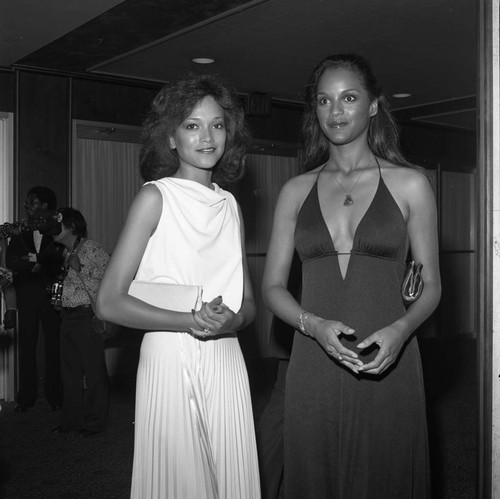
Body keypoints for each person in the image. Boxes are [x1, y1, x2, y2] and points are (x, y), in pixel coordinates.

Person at [262, 53, 441, 499]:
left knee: (387, 475)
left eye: (348, 98)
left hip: (388, 356)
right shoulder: (295, 190)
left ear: (374, 106)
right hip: (312, 360)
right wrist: (312, 325)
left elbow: (433, 285)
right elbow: (272, 287)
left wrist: (401, 331)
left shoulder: (410, 184)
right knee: (313, 476)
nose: (335, 111)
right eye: (324, 100)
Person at [96, 73, 260, 499]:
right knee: (179, 481)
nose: (207, 137)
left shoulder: (230, 205)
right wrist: (188, 320)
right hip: (169, 355)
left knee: (230, 478)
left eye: (217, 124)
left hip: (224, 355)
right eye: (191, 125)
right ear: (170, 137)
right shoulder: (156, 197)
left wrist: (231, 321)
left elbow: (250, 307)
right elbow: (108, 302)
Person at [50, 208, 109, 437]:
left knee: (94, 373)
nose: (53, 230)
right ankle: (71, 421)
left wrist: (80, 268)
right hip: (67, 317)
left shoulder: (92, 248)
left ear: (72, 226)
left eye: (59, 224)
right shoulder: (63, 252)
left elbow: (109, 281)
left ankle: (95, 423)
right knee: (69, 373)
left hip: (86, 317)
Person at [6, 186, 64, 412]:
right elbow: (12, 261)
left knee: (54, 349)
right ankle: (26, 398)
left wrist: (40, 262)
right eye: (27, 201)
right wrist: (36, 264)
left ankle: (55, 396)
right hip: (27, 296)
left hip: (52, 299)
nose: (26, 205)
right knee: (26, 350)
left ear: (46, 206)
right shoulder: (19, 231)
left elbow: (60, 261)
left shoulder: (59, 230)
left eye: (32, 201)